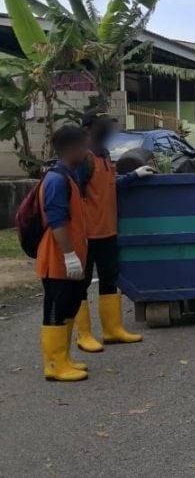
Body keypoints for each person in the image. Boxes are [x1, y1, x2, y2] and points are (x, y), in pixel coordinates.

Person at [74, 110, 154, 353]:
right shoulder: (82, 159)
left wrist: (133, 176)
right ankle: (84, 334)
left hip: (107, 230)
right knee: (80, 283)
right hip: (86, 234)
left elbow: (108, 186)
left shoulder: (104, 155)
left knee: (109, 279)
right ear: (88, 129)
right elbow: (71, 194)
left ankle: (112, 330)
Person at [37, 125, 90, 382]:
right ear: (71, 149)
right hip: (57, 257)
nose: (86, 151)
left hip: (71, 255)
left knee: (68, 305)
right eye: (82, 146)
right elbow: (56, 221)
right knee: (55, 309)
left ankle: (64, 358)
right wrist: (69, 255)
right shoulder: (57, 180)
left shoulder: (71, 176)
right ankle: (54, 364)